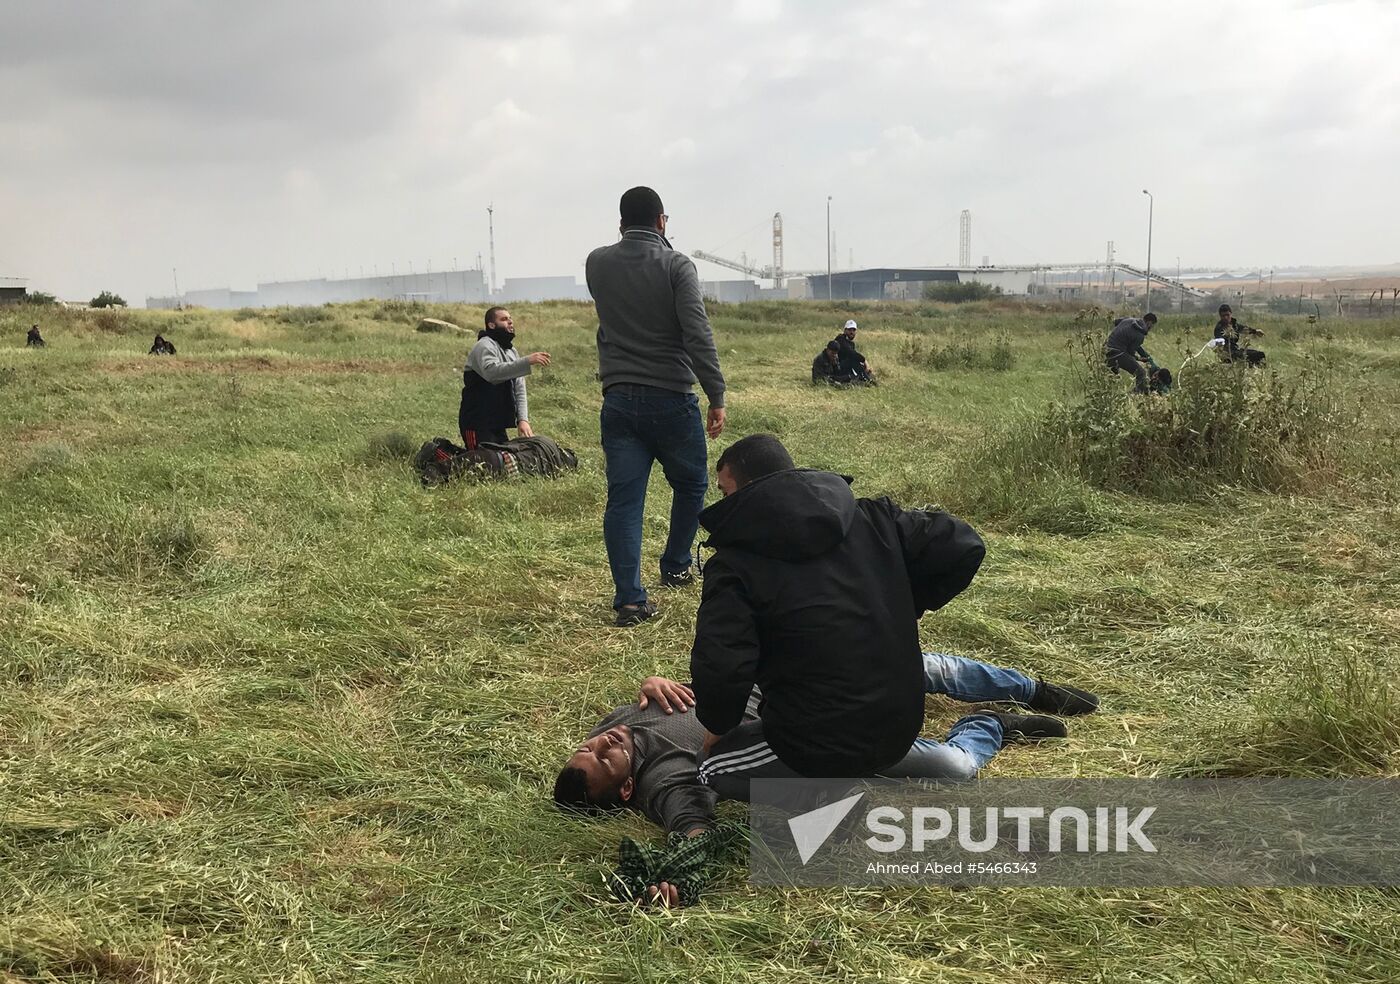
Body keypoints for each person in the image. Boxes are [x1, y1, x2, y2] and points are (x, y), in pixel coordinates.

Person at [687, 434, 1093, 800]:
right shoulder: (874, 517)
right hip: (897, 716)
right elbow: (964, 544)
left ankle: (1013, 703)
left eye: (724, 491)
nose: (722, 502)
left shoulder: (735, 565)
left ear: (746, 488)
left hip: (823, 742)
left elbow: (724, 668)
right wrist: (902, 606)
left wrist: (715, 730)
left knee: (710, 770)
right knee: (932, 678)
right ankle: (1015, 703)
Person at [556, 658, 1096, 906]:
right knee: (954, 769)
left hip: (793, 678)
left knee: (922, 666)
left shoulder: (618, 724)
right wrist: (674, 876)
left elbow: (668, 683)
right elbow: (691, 827)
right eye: (604, 759)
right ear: (627, 790)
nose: (602, 743)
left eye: (590, 745)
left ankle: (1030, 686)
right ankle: (991, 725)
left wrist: (652, 679)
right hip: (808, 742)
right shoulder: (665, 781)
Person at [586, 186, 727, 627]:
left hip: (619, 398)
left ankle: (629, 600)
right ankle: (677, 563)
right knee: (691, 484)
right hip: (671, 397)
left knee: (624, 502)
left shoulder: (597, 262)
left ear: (621, 223)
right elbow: (696, 333)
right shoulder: (677, 265)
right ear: (662, 221)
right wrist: (716, 394)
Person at [458, 306, 550, 449]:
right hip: (476, 420)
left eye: (510, 318)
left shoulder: (511, 351)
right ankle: (437, 454)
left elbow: (519, 388)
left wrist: (523, 420)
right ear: (491, 325)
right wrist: (527, 361)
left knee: (501, 464)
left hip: (497, 423)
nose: (510, 322)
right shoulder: (484, 346)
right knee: (477, 463)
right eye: (504, 319)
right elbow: (492, 373)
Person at [1104, 312, 1157, 393]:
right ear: (1149, 323)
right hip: (1118, 353)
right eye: (1152, 326)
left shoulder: (1129, 320)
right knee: (1141, 373)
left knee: (1113, 374)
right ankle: (1137, 393)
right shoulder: (1140, 336)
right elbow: (1130, 352)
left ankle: (1109, 392)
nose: (1151, 328)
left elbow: (1116, 322)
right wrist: (1139, 358)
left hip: (1106, 349)